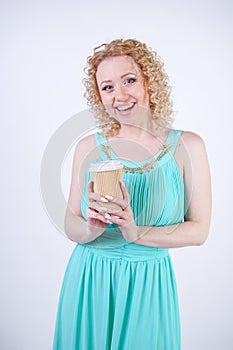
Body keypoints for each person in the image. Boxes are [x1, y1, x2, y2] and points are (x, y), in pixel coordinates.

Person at [53, 39, 212, 350]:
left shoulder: (188, 146)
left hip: (148, 283)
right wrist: (90, 228)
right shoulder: (88, 147)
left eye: (129, 80)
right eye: (107, 87)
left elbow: (200, 230)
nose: (120, 96)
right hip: (90, 278)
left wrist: (135, 232)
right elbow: (70, 220)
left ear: (149, 82)